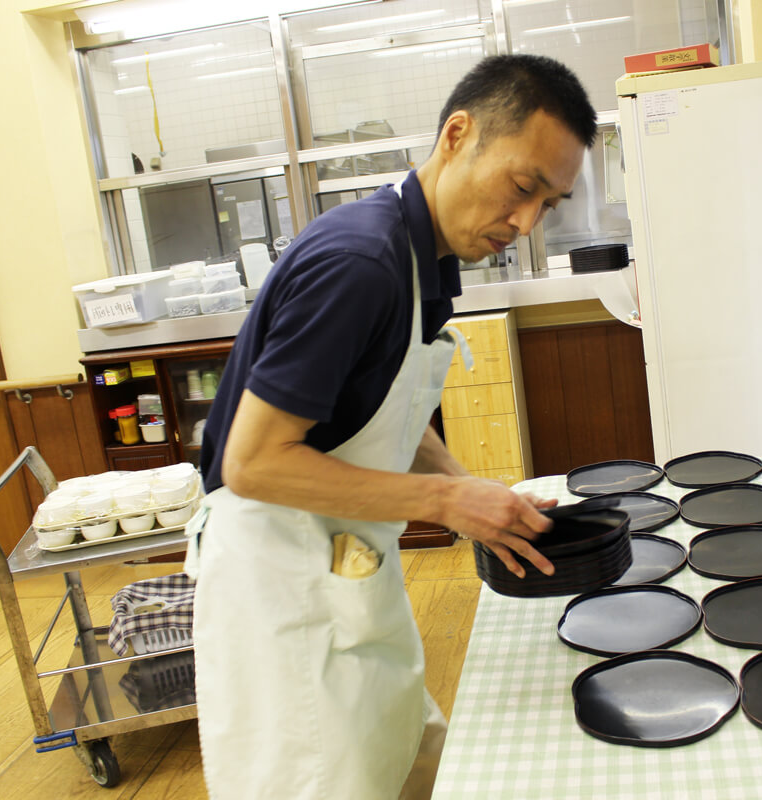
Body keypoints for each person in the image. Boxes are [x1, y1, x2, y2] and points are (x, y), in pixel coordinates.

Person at [185, 54, 597, 800]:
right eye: (523, 187)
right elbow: (253, 462)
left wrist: (466, 489)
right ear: (457, 135)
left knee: (400, 750)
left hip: (342, 565)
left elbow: (390, 414)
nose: (528, 221)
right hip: (280, 583)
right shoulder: (360, 263)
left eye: (551, 204)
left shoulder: (424, 258)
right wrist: (444, 506)